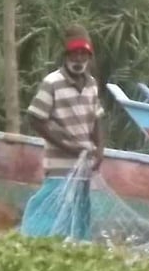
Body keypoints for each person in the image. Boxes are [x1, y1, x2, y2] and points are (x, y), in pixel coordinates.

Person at [19, 26, 105, 240]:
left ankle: (76, 245)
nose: (78, 58)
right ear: (66, 56)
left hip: (83, 162)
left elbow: (96, 119)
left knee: (79, 208)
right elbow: (36, 119)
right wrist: (66, 147)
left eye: (83, 54)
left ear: (89, 57)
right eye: (74, 53)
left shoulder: (92, 84)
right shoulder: (52, 83)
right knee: (50, 202)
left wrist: (100, 149)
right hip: (59, 162)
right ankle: (32, 240)